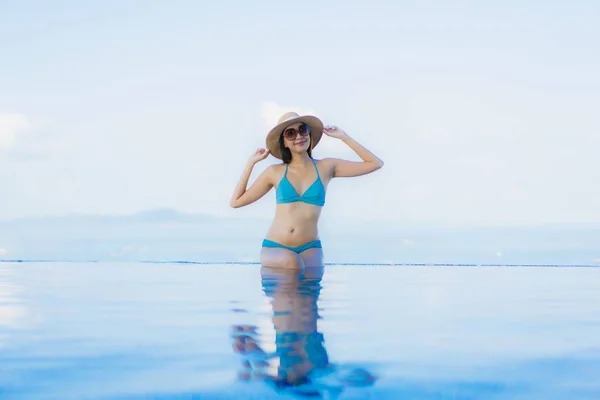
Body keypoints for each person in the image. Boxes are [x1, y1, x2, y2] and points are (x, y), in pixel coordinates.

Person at [229, 111, 384, 269]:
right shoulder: (274, 172)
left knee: (311, 281)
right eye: (291, 133)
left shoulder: (326, 167)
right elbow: (235, 202)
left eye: (302, 129)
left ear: (309, 133)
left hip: (310, 248)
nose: (298, 136)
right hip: (276, 247)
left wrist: (344, 137)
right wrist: (251, 163)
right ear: (285, 143)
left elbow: (375, 163)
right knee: (293, 263)